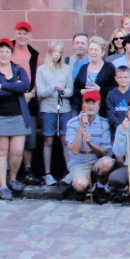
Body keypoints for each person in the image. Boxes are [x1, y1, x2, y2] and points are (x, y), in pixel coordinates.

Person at [0, 38, 31, 201]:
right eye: (1, 51)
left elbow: (25, 86)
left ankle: (13, 178)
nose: (4, 54)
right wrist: (13, 88)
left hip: (18, 115)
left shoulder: (19, 69)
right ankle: (2, 185)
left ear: (12, 54)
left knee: (17, 152)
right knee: (2, 151)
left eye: (7, 51)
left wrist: (2, 86)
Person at [35, 40, 74, 186]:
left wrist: (63, 91)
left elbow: (70, 90)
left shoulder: (67, 69)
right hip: (48, 108)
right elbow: (40, 92)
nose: (56, 55)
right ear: (50, 52)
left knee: (65, 139)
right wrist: (53, 87)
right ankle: (47, 173)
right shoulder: (42, 70)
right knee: (48, 140)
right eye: (54, 52)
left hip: (64, 108)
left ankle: (70, 171)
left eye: (59, 52)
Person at [65, 90, 112, 202]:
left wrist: (91, 143)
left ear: (99, 106)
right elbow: (74, 151)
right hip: (79, 163)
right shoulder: (72, 123)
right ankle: (83, 186)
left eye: (94, 103)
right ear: (82, 105)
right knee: (80, 185)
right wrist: (81, 127)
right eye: (87, 102)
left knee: (108, 162)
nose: (90, 106)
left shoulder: (104, 123)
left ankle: (99, 188)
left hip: (96, 161)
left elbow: (104, 152)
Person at [12, 22, 40, 185]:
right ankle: (9, 172)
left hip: (28, 100)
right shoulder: (6, 49)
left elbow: (38, 78)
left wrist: (31, 94)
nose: (22, 36)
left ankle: (28, 170)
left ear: (30, 36)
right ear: (15, 33)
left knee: (29, 137)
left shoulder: (35, 55)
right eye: (19, 33)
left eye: (25, 33)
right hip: (8, 99)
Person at [72, 37, 117, 116]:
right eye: (91, 49)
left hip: (103, 110)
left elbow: (115, 88)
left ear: (102, 52)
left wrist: (100, 89)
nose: (93, 52)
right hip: (85, 110)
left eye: (96, 50)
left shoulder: (109, 67)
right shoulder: (83, 68)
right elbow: (75, 89)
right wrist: (81, 91)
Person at [105, 66, 130, 138]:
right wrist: (120, 126)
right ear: (116, 78)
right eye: (120, 77)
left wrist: (129, 126)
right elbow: (110, 113)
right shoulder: (111, 94)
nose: (123, 80)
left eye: (125, 77)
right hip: (115, 131)